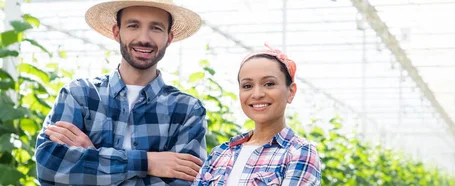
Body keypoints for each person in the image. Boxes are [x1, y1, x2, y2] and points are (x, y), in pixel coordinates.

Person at [35, 0, 208, 185]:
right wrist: (147, 162)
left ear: (169, 37)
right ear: (117, 32)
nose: (144, 38)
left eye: (156, 28)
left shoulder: (187, 110)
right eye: (133, 25)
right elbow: (49, 167)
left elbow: (188, 183)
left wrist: (92, 158)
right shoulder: (79, 95)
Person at [193, 43, 322, 186]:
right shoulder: (220, 153)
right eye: (247, 86)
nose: (257, 94)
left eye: (269, 84)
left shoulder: (299, 152)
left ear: (291, 92)